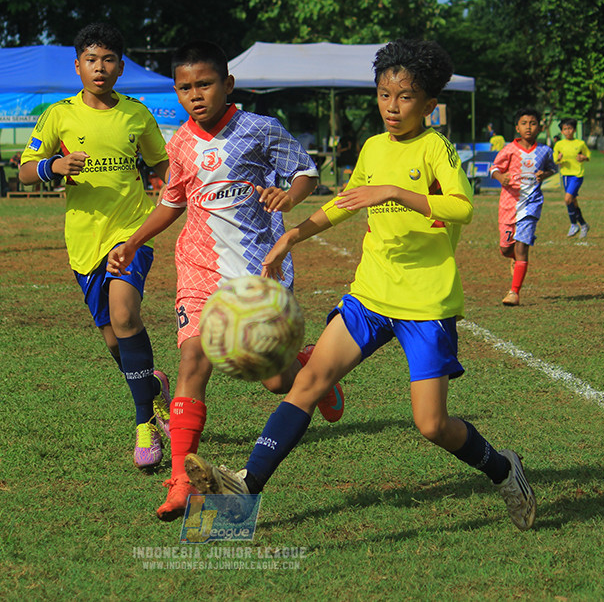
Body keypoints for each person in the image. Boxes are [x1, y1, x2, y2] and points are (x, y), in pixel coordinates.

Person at [182, 39, 537, 532]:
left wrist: (395, 191)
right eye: (384, 95)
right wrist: (293, 235)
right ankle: (246, 484)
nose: (392, 107)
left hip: (425, 303)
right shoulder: (372, 146)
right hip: (369, 294)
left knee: (431, 424)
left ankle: (503, 469)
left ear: (429, 105)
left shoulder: (435, 148)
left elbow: (463, 207)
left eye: (406, 97)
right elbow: (345, 202)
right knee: (308, 382)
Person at [105, 40, 344, 522]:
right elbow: (172, 202)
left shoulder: (260, 128)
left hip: (259, 268)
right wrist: (132, 242)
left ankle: (306, 365)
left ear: (227, 84)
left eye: (205, 84)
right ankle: (181, 481)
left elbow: (305, 172)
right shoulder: (179, 143)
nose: (195, 95)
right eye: (185, 88)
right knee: (193, 358)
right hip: (199, 268)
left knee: (274, 380)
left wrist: (289, 196)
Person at [17, 22, 171, 471]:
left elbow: (163, 164)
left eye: (108, 60)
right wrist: (54, 166)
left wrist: (178, 187)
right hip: (83, 241)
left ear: (120, 68)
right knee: (113, 339)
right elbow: (25, 171)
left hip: (131, 231)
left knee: (124, 315)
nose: (99, 68)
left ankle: (144, 423)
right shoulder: (58, 115)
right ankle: (152, 387)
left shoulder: (137, 114)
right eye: (91, 60)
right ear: (77, 66)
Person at [490, 108, 556, 307]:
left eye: (533, 123)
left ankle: (514, 292)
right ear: (517, 127)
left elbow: (553, 168)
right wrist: (500, 177)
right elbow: (494, 168)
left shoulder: (545, 151)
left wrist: (545, 174)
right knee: (505, 248)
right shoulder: (509, 149)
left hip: (531, 204)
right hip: (509, 204)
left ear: (540, 127)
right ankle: (514, 258)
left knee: (522, 247)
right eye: (524, 123)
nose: (529, 127)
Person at [552, 118, 591, 238]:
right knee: (573, 201)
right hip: (565, 176)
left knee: (567, 199)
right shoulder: (559, 145)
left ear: (574, 130)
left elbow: (588, 155)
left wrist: (583, 158)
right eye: (565, 129)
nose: (567, 131)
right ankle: (584, 224)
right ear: (562, 131)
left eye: (570, 128)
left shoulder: (580, 143)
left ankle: (573, 224)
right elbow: (554, 159)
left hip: (577, 175)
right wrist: (558, 158)